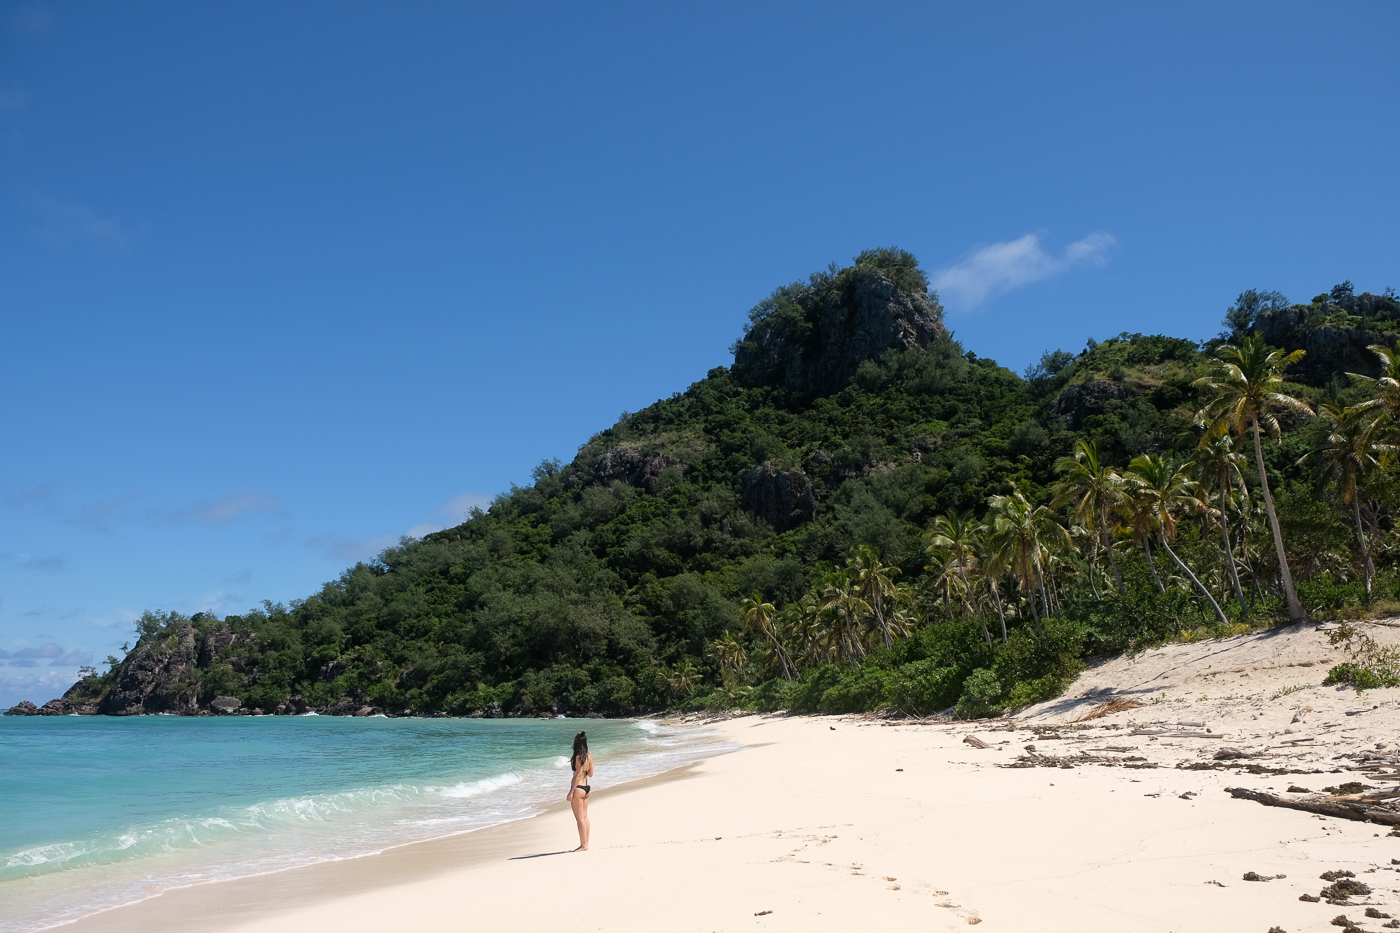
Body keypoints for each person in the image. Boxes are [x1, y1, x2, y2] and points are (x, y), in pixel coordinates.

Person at [566, 731, 593, 852]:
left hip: (578, 788)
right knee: (585, 817)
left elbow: (577, 776)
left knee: (579, 818)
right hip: (587, 787)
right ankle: (585, 843)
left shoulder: (578, 757)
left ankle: (583, 845)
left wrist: (571, 791)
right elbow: (591, 774)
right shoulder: (589, 756)